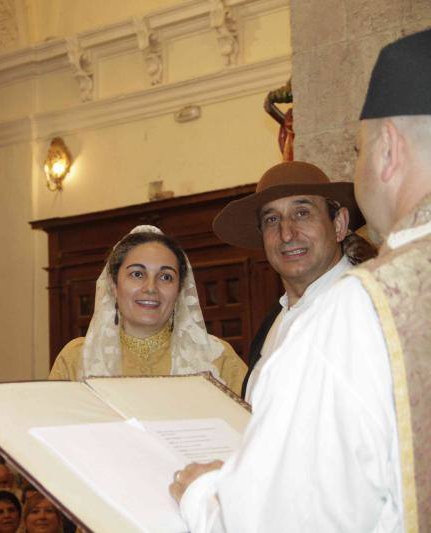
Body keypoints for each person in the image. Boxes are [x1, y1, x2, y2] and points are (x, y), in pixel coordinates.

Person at [169, 29, 431, 531]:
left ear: (389, 149)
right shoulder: (282, 322)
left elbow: (283, 518)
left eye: (359, 149)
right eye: (271, 220)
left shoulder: (356, 312)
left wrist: (200, 493)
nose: (286, 232)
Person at [212, 160, 374, 401]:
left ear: (339, 224)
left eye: (302, 213)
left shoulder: (366, 308)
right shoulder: (273, 322)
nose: (286, 234)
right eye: (272, 220)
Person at [49, 225, 247, 395]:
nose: (151, 287)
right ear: (113, 284)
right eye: (137, 274)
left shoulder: (217, 357)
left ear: (179, 290)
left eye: (166, 277)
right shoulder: (77, 358)